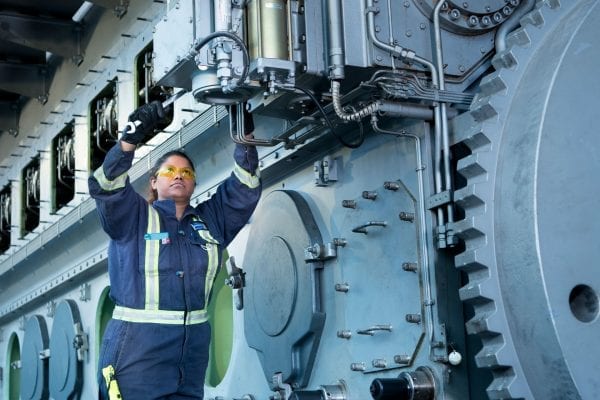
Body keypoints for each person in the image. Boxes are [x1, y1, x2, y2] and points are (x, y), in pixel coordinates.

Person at [89, 101, 261, 400]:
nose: (179, 174)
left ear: (194, 182)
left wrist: (242, 134)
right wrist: (129, 140)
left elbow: (245, 187)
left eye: (186, 171)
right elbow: (106, 187)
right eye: (169, 170)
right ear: (154, 182)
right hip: (136, 354)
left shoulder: (210, 221)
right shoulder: (134, 217)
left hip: (191, 356)